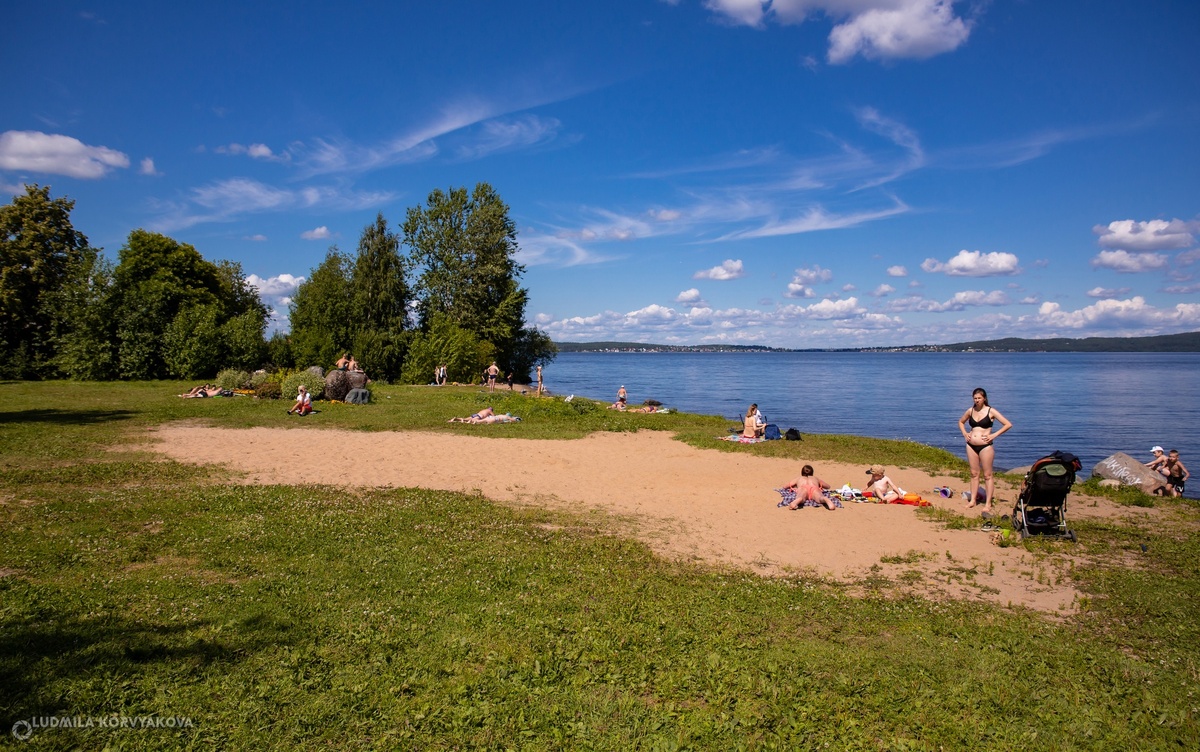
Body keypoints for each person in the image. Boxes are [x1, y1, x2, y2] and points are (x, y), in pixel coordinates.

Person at [957, 387, 1013, 515]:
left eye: (979, 398)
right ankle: (972, 501)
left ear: (984, 398)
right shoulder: (970, 411)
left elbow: (1008, 424)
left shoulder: (991, 411)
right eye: (975, 398)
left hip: (986, 446)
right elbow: (961, 422)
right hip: (971, 445)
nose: (977, 400)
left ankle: (988, 503)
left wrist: (994, 435)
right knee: (973, 473)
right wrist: (965, 433)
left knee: (987, 475)